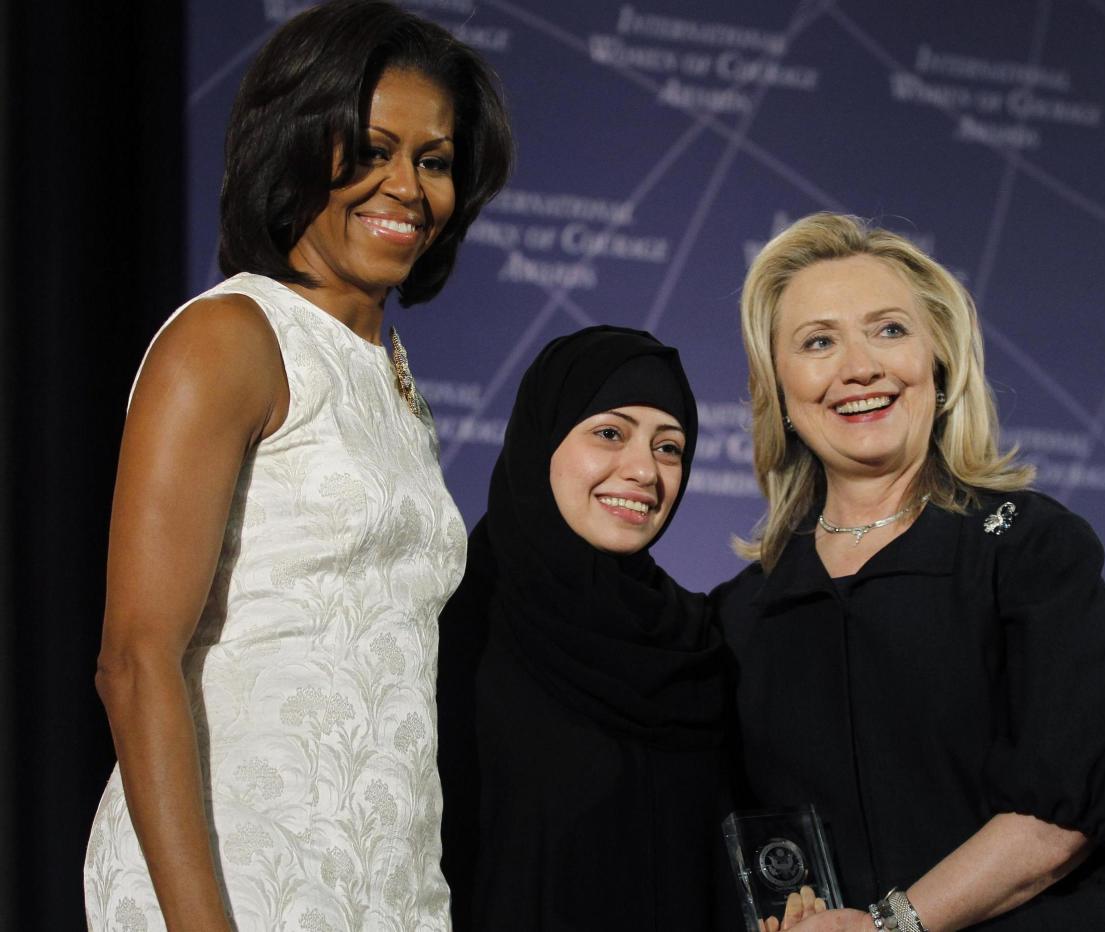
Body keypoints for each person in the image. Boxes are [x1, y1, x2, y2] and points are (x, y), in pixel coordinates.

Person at [83, 2, 513, 929]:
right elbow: (135, 659)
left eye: (432, 161)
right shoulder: (228, 337)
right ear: (293, 144)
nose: (405, 185)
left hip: (382, 888)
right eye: (368, 148)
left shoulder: (393, 381)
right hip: (231, 878)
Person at [712, 213, 1105, 931]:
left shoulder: (1031, 551)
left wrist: (892, 925)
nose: (861, 366)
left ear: (940, 363)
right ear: (780, 393)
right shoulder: (744, 613)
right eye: (819, 342)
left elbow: (1063, 808)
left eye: (889, 330)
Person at [437, 326, 735, 932]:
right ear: (542, 437)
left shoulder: (698, 642)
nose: (644, 472)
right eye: (609, 433)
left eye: (669, 448)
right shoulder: (453, 632)